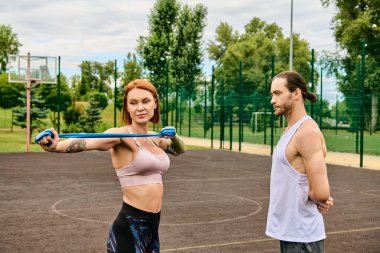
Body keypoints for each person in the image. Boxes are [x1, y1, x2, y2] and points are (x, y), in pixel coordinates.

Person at [37, 79, 186, 253]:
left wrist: (174, 137)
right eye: (133, 103)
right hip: (130, 228)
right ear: (127, 108)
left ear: (155, 103)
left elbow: (179, 150)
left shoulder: (156, 137)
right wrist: (55, 146)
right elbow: (88, 140)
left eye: (145, 101)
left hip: (152, 228)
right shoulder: (120, 135)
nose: (140, 108)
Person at [266, 71, 334, 253]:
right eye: (272, 94)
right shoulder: (291, 129)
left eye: (277, 93)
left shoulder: (307, 132)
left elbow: (320, 192)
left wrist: (321, 197)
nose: (272, 100)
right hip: (292, 233)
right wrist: (320, 196)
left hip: (303, 236)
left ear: (296, 94)